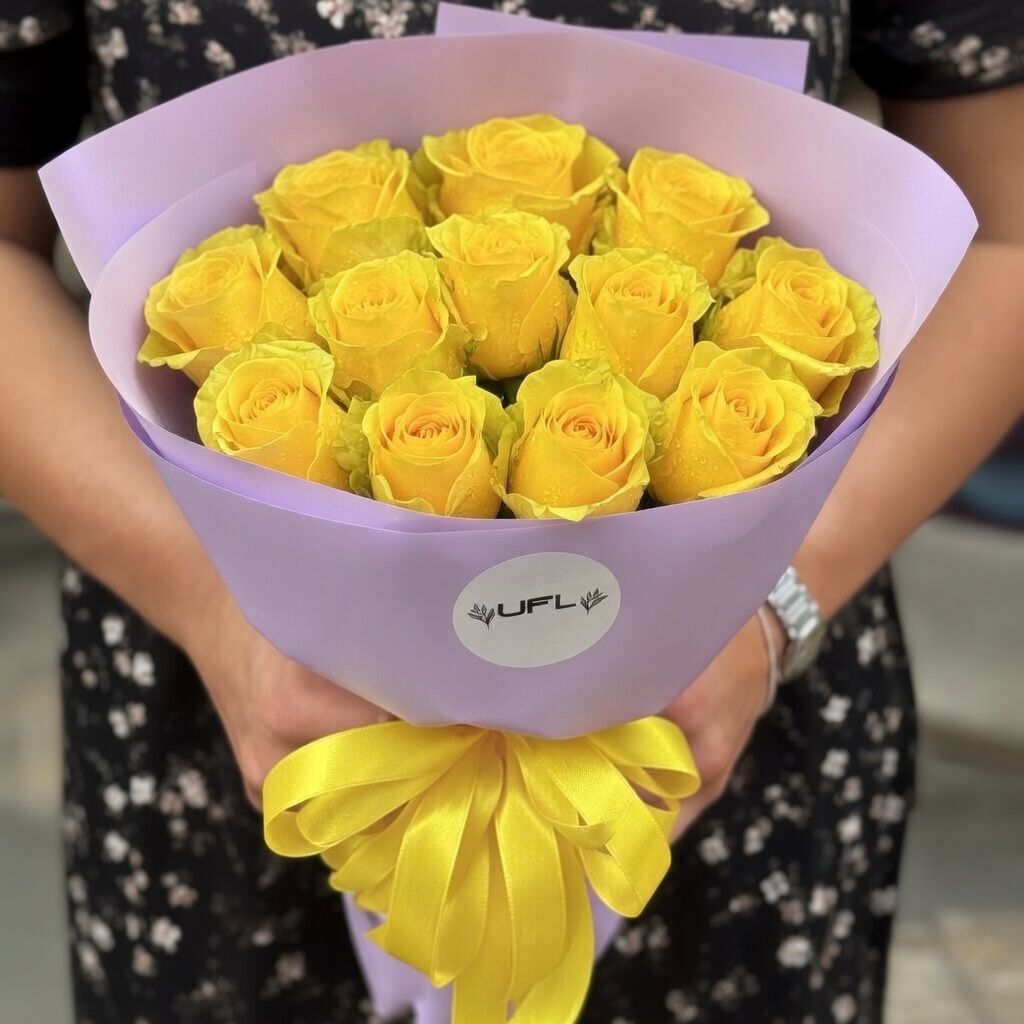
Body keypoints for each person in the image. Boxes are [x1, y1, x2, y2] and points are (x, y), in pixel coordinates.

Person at [1, 2, 1021, 1021]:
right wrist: (213, 608)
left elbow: (1005, 234)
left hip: (723, 715)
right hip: (246, 714)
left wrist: (774, 608)